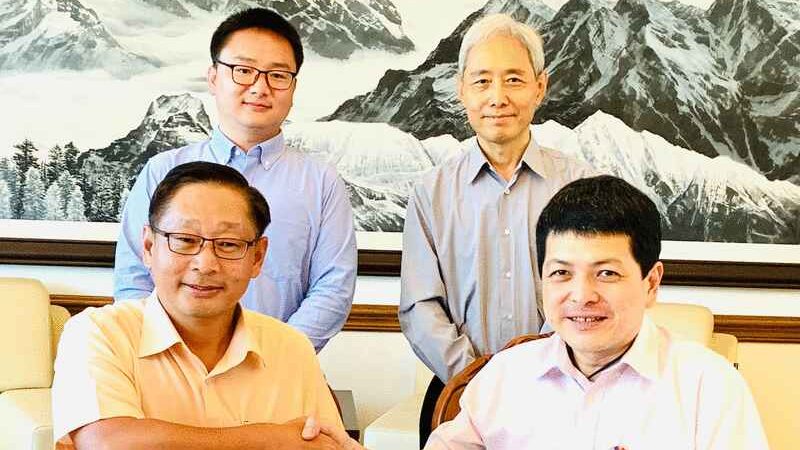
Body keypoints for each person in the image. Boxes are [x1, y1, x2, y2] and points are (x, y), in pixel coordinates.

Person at [425, 175, 769, 449]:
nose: (582, 296)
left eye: (606, 273)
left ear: (651, 283)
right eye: (561, 272)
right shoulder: (504, 375)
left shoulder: (709, 386)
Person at [53, 162, 364, 450]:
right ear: (148, 247)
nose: (205, 264)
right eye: (184, 240)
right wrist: (269, 439)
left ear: (257, 257)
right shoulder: (98, 332)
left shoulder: (290, 346)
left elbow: (327, 444)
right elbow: (108, 443)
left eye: (228, 244)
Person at [398, 13, 594, 445]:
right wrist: (474, 377)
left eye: (514, 80)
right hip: (458, 394)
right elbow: (419, 305)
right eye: (483, 81)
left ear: (540, 87)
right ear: (461, 90)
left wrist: (538, 369)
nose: (498, 97)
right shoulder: (432, 192)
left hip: (564, 390)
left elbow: (587, 292)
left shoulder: (580, 185)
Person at [114, 8, 357, 352]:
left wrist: (273, 358)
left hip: (280, 369)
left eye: (277, 75)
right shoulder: (161, 170)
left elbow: (333, 288)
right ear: (213, 78)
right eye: (243, 71)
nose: (259, 87)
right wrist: (170, 358)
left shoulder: (322, 182)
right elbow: (133, 280)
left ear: (293, 87)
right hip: (168, 369)